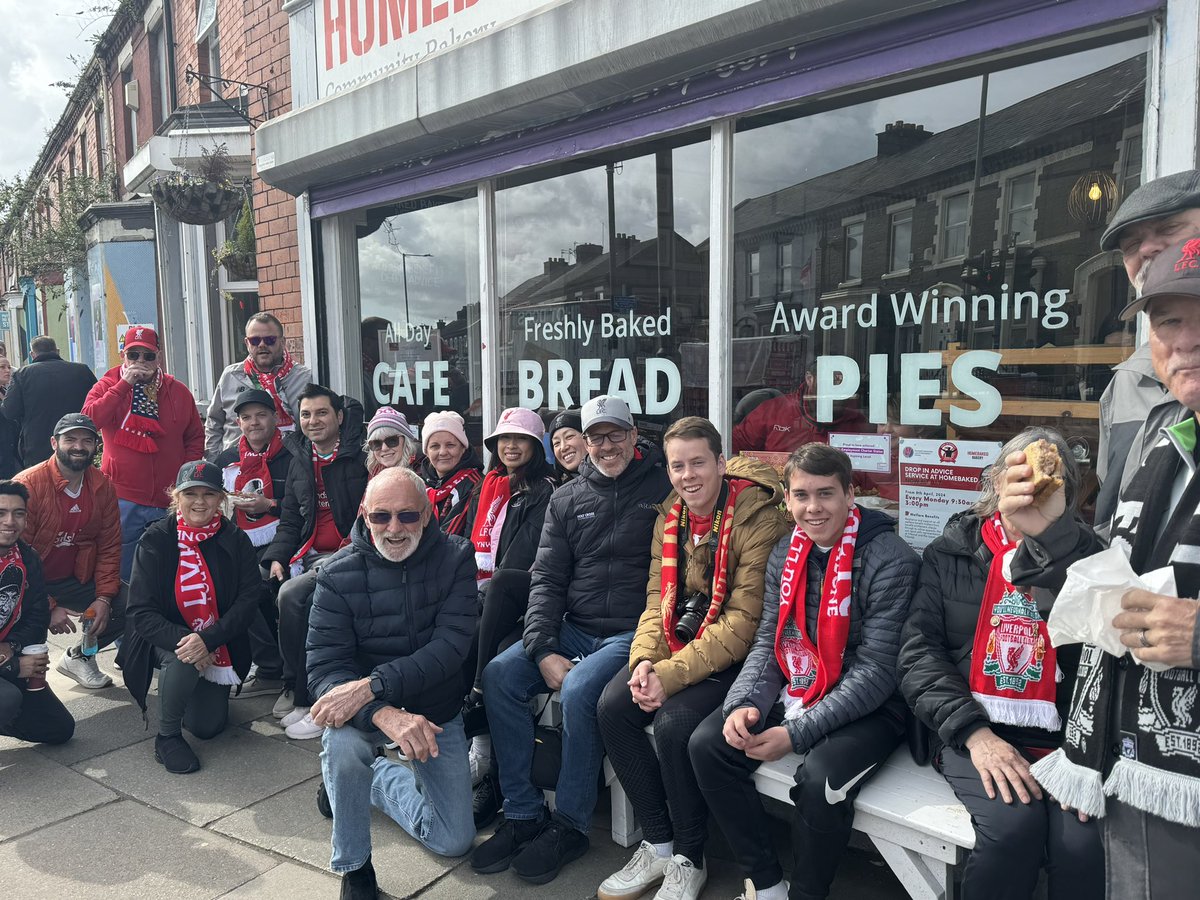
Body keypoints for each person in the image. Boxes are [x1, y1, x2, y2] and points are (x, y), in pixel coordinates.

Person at [1005, 238, 1200, 900]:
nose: (1183, 342)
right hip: (1130, 768)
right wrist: (1051, 534)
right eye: (1167, 319)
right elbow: (1108, 591)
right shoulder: (1156, 431)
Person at [688, 443, 919, 900]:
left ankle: (807, 894)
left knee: (819, 781)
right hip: (801, 684)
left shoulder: (891, 559)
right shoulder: (785, 553)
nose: (813, 508)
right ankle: (769, 883)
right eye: (801, 495)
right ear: (788, 500)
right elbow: (770, 641)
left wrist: (797, 734)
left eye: (825, 494)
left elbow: (877, 671)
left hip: (874, 706)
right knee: (708, 743)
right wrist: (743, 704)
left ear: (851, 495)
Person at [470, 395, 670, 885]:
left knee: (580, 690)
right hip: (574, 624)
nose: (605, 446)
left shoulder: (665, 489)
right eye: (595, 437)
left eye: (614, 435)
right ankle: (522, 812)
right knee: (499, 675)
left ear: (632, 435)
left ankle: (571, 824)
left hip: (631, 632)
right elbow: (547, 581)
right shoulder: (567, 497)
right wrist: (541, 646)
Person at [898, 428, 1102, 900]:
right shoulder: (950, 552)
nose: (1030, 494)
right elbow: (918, 655)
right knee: (1013, 828)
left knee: (1082, 843)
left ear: (1067, 497)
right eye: (1018, 479)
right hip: (971, 727)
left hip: (1067, 737)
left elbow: (1102, 659)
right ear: (994, 485)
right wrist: (976, 735)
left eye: (1047, 484)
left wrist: (1088, 758)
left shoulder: (1092, 557)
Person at [596, 417, 789, 900]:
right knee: (612, 706)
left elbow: (745, 623)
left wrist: (668, 675)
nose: (688, 476)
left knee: (674, 723)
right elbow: (655, 599)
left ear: (721, 463)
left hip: (740, 660)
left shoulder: (756, 518)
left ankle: (689, 855)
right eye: (677, 465)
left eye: (698, 462)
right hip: (680, 645)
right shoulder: (671, 516)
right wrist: (644, 661)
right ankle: (658, 843)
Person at [307, 467, 477, 899]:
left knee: (452, 840)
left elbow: (451, 649)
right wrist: (381, 710)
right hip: (372, 714)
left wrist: (371, 686)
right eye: (381, 517)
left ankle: (371, 777)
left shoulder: (456, 557)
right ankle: (355, 870)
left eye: (407, 516)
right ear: (365, 515)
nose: (395, 528)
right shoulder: (336, 573)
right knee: (342, 745)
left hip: (435, 709)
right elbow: (324, 670)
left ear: (427, 514)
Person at [121, 461, 262, 773]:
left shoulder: (236, 539)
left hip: (217, 641)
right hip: (163, 640)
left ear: (221, 499)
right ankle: (167, 737)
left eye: (209, 494)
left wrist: (208, 639)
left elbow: (248, 600)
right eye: (191, 494)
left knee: (207, 727)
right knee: (182, 659)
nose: (200, 502)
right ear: (176, 498)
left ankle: (184, 690)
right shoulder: (156, 539)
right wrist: (191, 642)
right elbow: (140, 612)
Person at [459, 407, 557, 825]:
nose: (511, 446)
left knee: (494, 649)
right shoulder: (492, 487)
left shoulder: (543, 491)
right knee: (458, 629)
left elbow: (519, 562)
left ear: (537, 447)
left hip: (525, 596)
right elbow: (469, 545)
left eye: (521, 439)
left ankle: (490, 758)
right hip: (491, 594)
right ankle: (476, 750)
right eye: (504, 439)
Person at [1094, 170, 1200, 523]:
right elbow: (1116, 524)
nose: (1147, 249)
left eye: (1169, 229)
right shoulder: (1126, 382)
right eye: (1130, 245)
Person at [262, 384, 368, 739]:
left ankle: (308, 696)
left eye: (322, 413)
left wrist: (341, 554)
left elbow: (366, 517)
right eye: (306, 415)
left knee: (295, 597)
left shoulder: (357, 456)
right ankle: (292, 685)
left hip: (349, 553)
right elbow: (291, 518)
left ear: (338, 417)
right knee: (269, 587)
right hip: (306, 554)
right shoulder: (300, 460)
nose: (313, 421)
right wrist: (277, 556)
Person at [82, 326, 205, 582]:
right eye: (133, 355)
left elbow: (194, 436)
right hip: (122, 498)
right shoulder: (107, 384)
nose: (140, 362)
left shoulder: (177, 390)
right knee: (123, 570)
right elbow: (88, 422)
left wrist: (185, 477)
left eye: (148, 356)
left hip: (169, 498)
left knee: (168, 567)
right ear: (123, 357)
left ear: (158, 358)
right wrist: (124, 385)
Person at [16, 414, 124, 690]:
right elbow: (15, 557)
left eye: (87, 440)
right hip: (31, 584)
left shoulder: (102, 486)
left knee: (134, 604)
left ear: (96, 447)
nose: (79, 446)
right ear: (54, 443)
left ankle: (80, 656)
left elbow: (109, 546)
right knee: (28, 632)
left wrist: (103, 597)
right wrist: (48, 605)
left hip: (76, 577)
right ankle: (20, 681)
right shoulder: (29, 485)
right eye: (70, 439)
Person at [214, 389, 294, 701]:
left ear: (275, 417)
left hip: (287, 539)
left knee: (256, 585)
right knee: (222, 582)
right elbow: (212, 506)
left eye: (261, 415)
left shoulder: (292, 455)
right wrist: (229, 504)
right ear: (239, 422)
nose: (254, 422)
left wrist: (269, 503)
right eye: (246, 417)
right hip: (241, 540)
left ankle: (274, 668)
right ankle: (262, 662)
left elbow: (304, 507)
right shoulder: (227, 459)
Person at [0, 480, 74, 745]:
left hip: (9, 650)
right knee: (8, 699)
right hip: (5, 660)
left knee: (58, 728)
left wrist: (14, 646)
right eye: (1, 513)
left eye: (18, 513)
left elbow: (38, 615)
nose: (10, 521)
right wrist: (10, 664)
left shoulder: (27, 556)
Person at [204, 312, 313, 459]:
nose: (262, 345)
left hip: (289, 465)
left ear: (282, 342)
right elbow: (214, 422)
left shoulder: (304, 378)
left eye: (269, 340)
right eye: (255, 340)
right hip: (236, 465)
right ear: (247, 343)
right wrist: (215, 460)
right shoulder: (230, 376)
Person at [2, 335, 97, 469]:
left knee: (39, 486)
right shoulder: (82, 371)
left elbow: (9, 411)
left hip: (36, 447)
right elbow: (97, 402)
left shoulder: (23, 374)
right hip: (77, 443)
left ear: (32, 354)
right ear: (57, 351)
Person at [732, 366, 868, 454]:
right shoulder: (774, 411)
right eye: (830, 379)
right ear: (810, 378)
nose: (835, 386)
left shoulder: (857, 422)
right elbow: (734, 447)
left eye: (842, 381)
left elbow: (875, 474)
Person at [418, 410, 482, 535]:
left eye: (450, 445)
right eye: (434, 446)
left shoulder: (477, 486)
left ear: (463, 448)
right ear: (426, 451)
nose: (442, 452)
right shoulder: (417, 484)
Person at [364, 407, 419, 477]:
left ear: (405, 441)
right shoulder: (375, 471)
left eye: (392, 440)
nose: (384, 448)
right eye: (376, 443)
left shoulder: (423, 470)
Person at [549, 408, 585, 484]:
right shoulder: (555, 489)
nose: (563, 447)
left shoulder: (612, 477)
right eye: (556, 443)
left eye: (569, 437)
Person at [0, 355, 20, 478]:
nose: (8, 370)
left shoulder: (6, 391)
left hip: (10, 449)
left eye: (8, 367)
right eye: (2, 367)